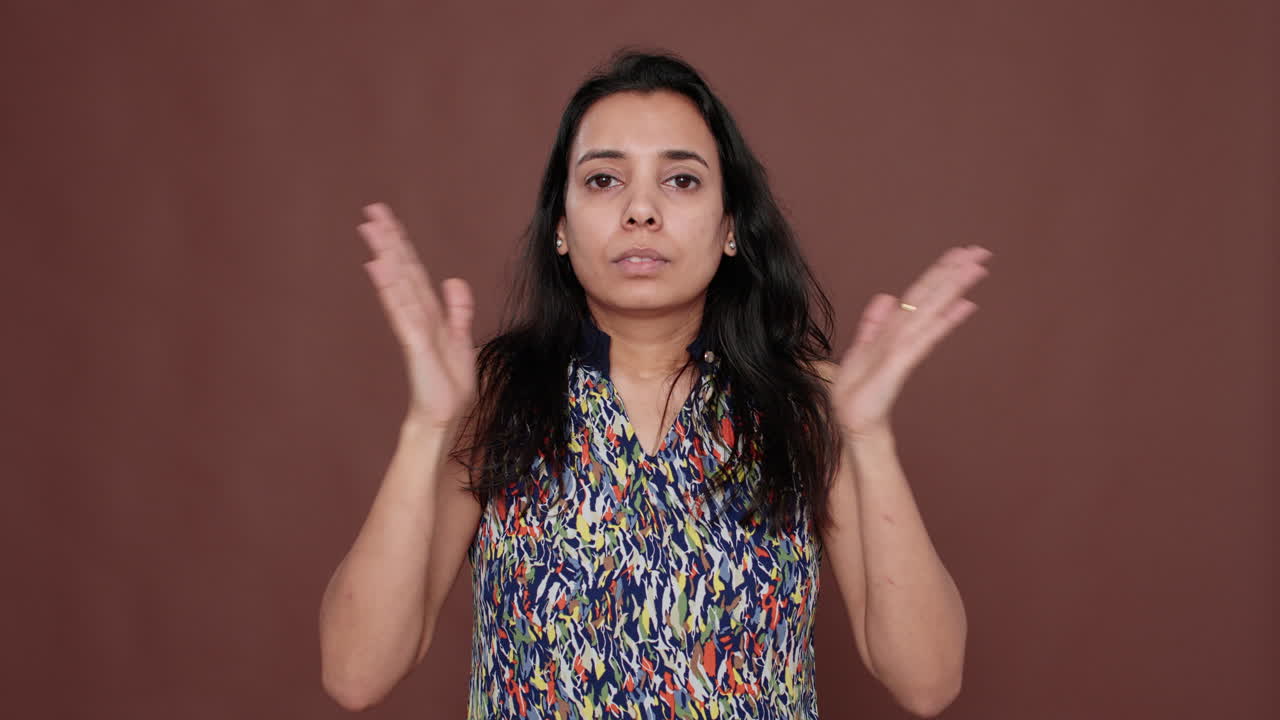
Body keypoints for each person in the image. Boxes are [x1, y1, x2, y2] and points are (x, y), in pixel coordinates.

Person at [319, 50, 987, 719]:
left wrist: (867, 437)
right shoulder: (493, 397)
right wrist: (427, 427)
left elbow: (927, 683)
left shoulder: (807, 402)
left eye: (682, 181)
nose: (641, 209)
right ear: (560, 226)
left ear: (730, 228)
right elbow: (356, 674)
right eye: (604, 179)